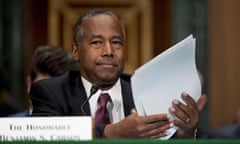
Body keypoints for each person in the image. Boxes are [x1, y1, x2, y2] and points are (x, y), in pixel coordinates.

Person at [30, 9, 200, 139]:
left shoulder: (146, 92)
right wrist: (111, 132)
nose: (109, 51)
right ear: (75, 51)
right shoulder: (50, 92)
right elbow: (48, 136)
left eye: (116, 43)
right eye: (96, 42)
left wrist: (187, 132)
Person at [11, 45, 79, 117]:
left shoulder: (87, 125)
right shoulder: (5, 127)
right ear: (29, 85)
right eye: (43, 91)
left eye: (59, 93)